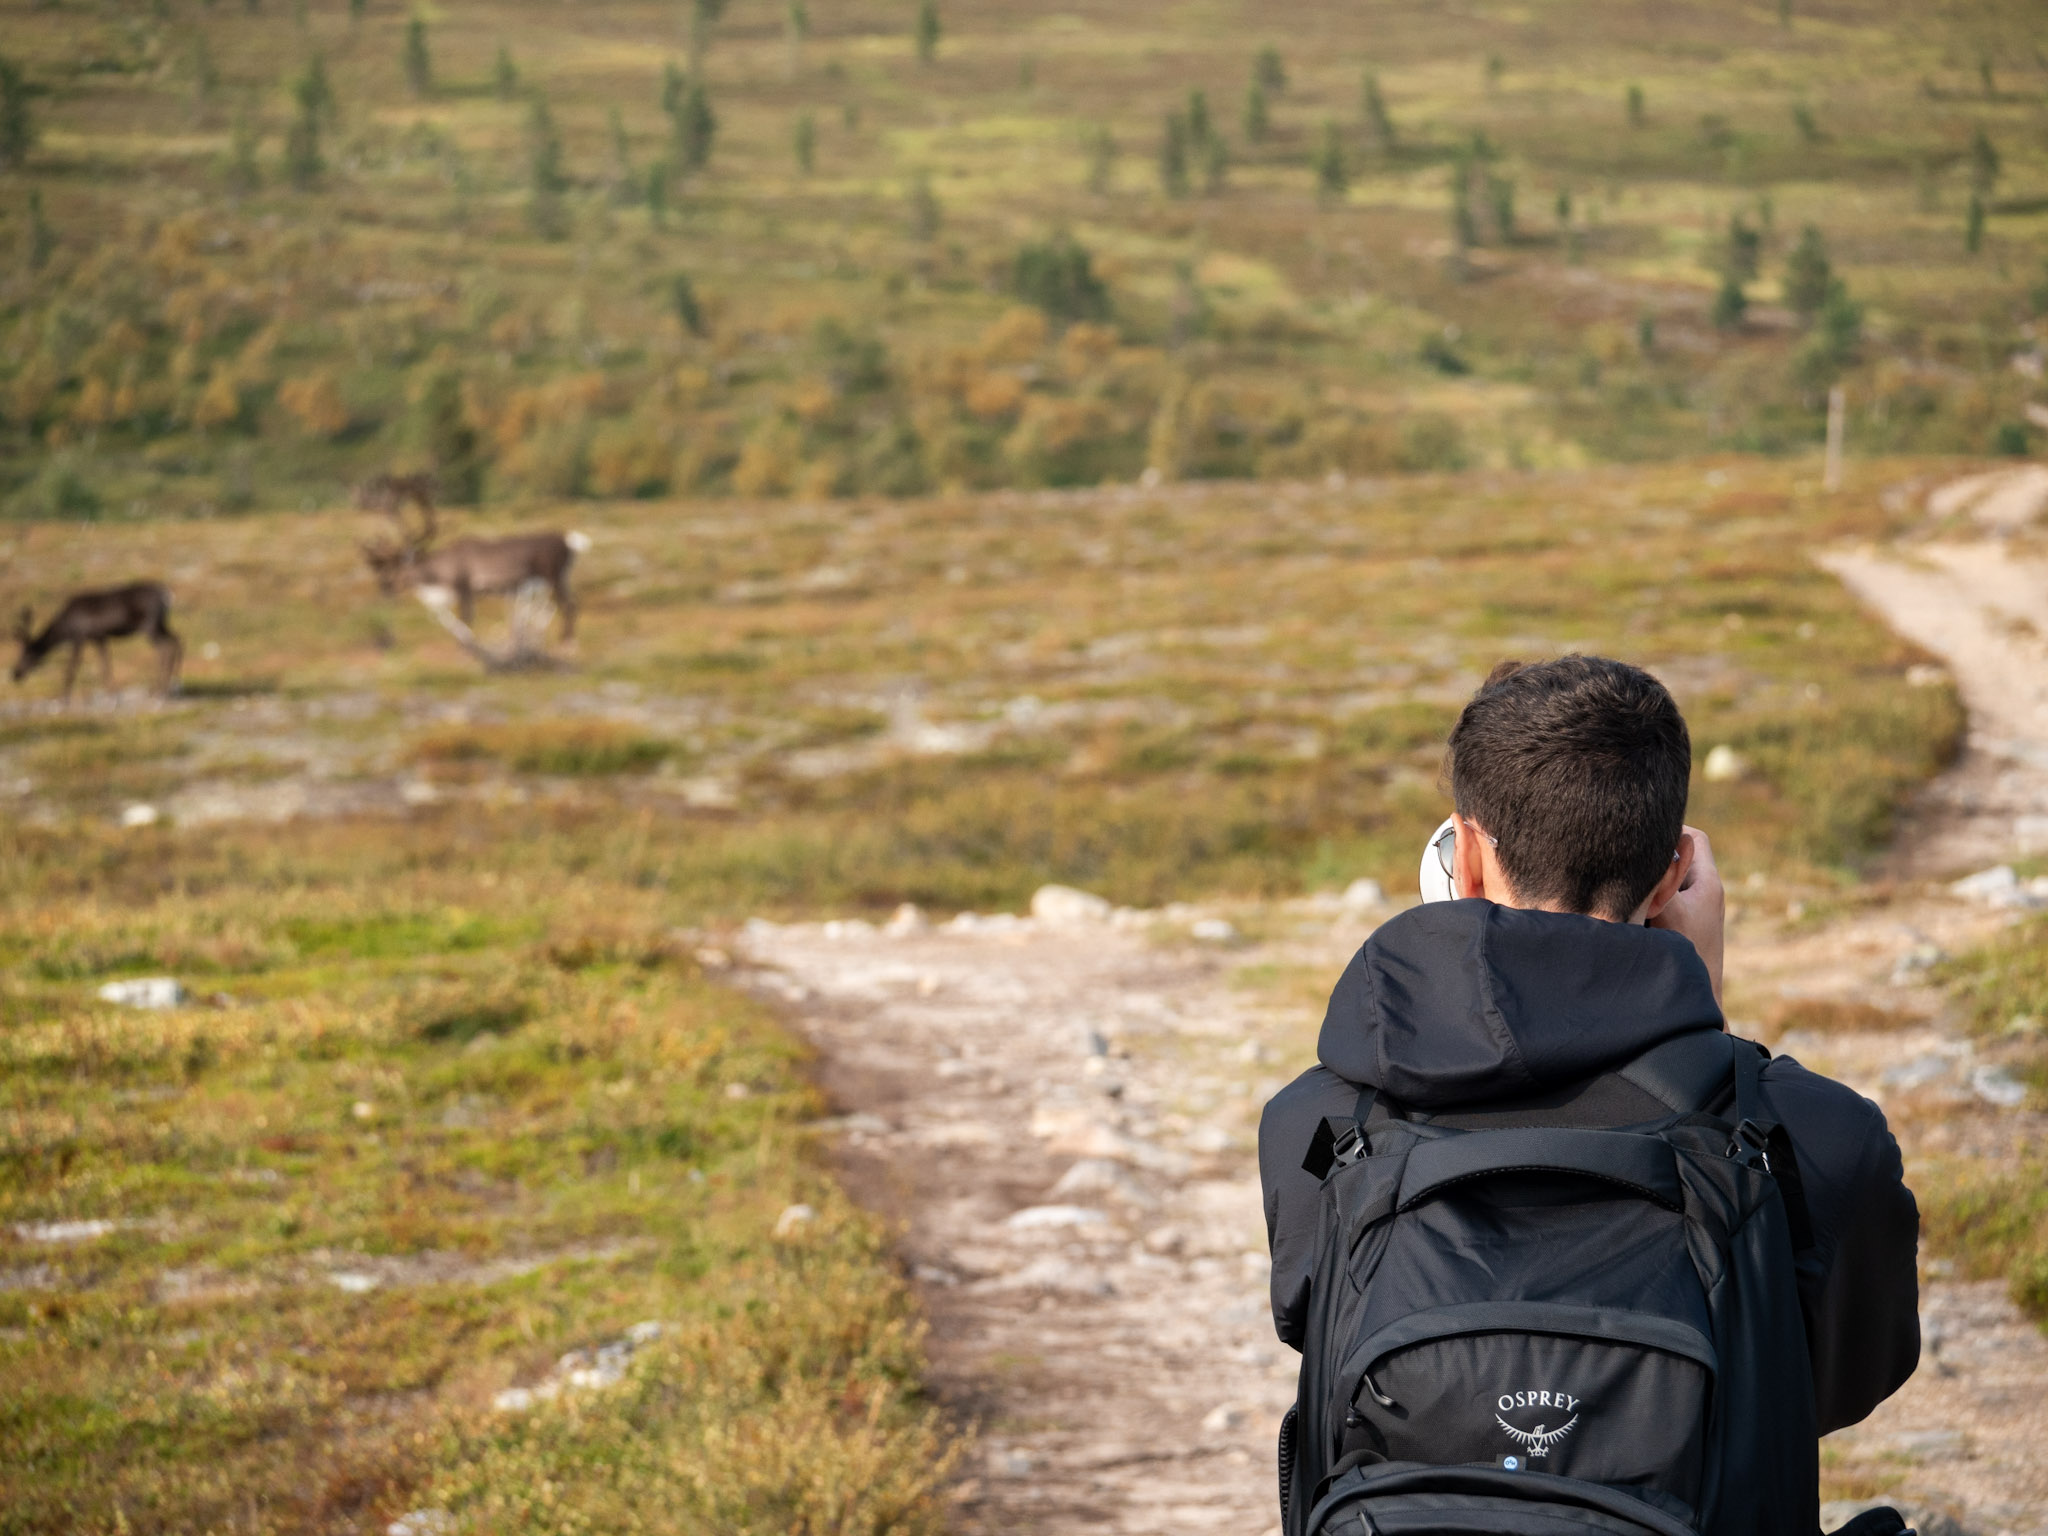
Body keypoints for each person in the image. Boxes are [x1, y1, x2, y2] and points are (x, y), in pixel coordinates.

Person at [1258, 654, 1918, 1455]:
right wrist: (1701, 1021)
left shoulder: (1316, 1126)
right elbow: (1814, 1385)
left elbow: (1326, 1341)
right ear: (1676, 869)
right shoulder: (1822, 1138)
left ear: (1462, 857)